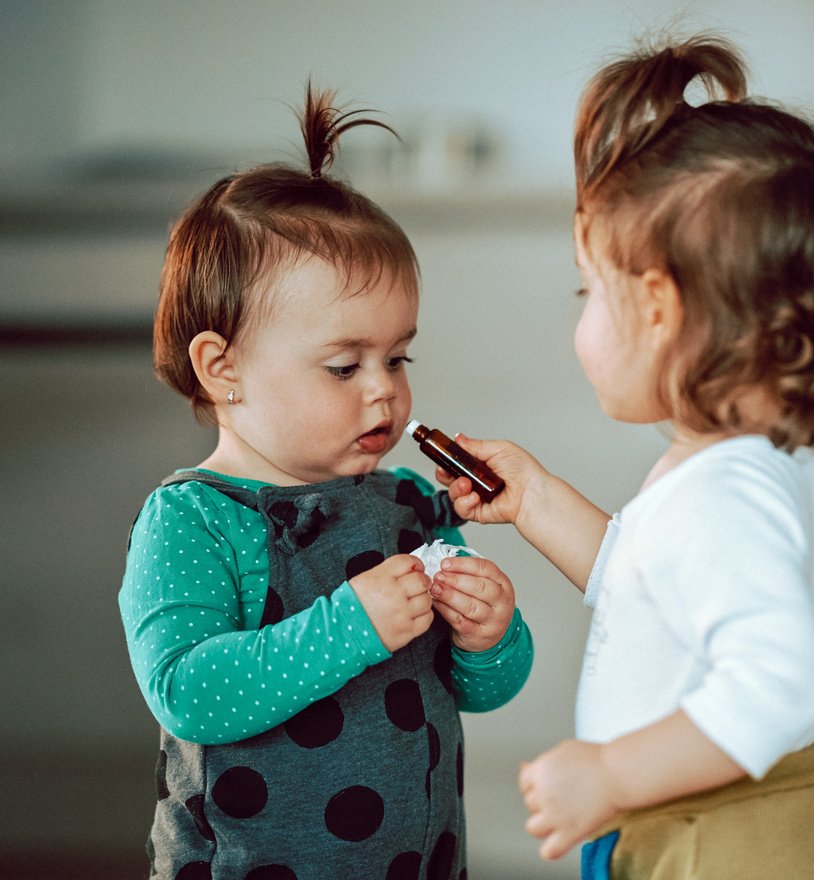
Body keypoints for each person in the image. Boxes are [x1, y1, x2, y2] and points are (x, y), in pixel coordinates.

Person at [436, 33, 814, 880]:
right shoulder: (756, 463)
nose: (580, 319)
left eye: (589, 292)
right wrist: (535, 499)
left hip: (722, 838)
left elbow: (776, 686)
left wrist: (612, 772)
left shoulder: (724, 490)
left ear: (657, 305)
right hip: (729, 821)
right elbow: (653, 590)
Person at [118, 84, 533, 880]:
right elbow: (189, 692)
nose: (382, 388)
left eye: (397, 358)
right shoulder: (192, 521)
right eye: (345, 366)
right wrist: (353, 625)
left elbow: (482, 690)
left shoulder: (409, 502)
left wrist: (490, 637)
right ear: (223, 368)